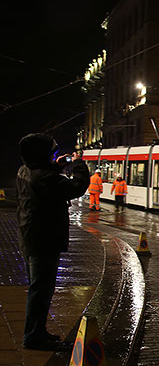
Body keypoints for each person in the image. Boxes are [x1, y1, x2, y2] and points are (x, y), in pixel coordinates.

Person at [16, 134, 90, 350]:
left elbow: (43, 177)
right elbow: (77, 187)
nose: (54, 154)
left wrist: (55, 167)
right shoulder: (44, 178)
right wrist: (78, 164)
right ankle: (33, 336)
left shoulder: (24, 171)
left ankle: (38, 331)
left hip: (30, 236)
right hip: (44, 239)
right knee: (41, 290)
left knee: (39, 288)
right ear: (41, 153)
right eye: (52, 151)